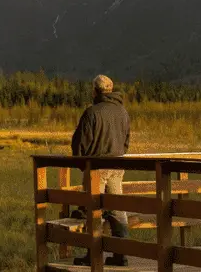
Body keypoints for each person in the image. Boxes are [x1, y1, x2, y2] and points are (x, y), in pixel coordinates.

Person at [70, 74, 131, 267]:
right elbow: (126, 141)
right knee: (117, 211)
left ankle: (93, 256)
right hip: (117, 166)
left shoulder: (92, 112)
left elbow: (80, 144)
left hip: (96, 169)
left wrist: (82, 164)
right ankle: (122, 255)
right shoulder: (123, 112)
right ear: (111, 90)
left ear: (95, 90)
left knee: (93, 211)